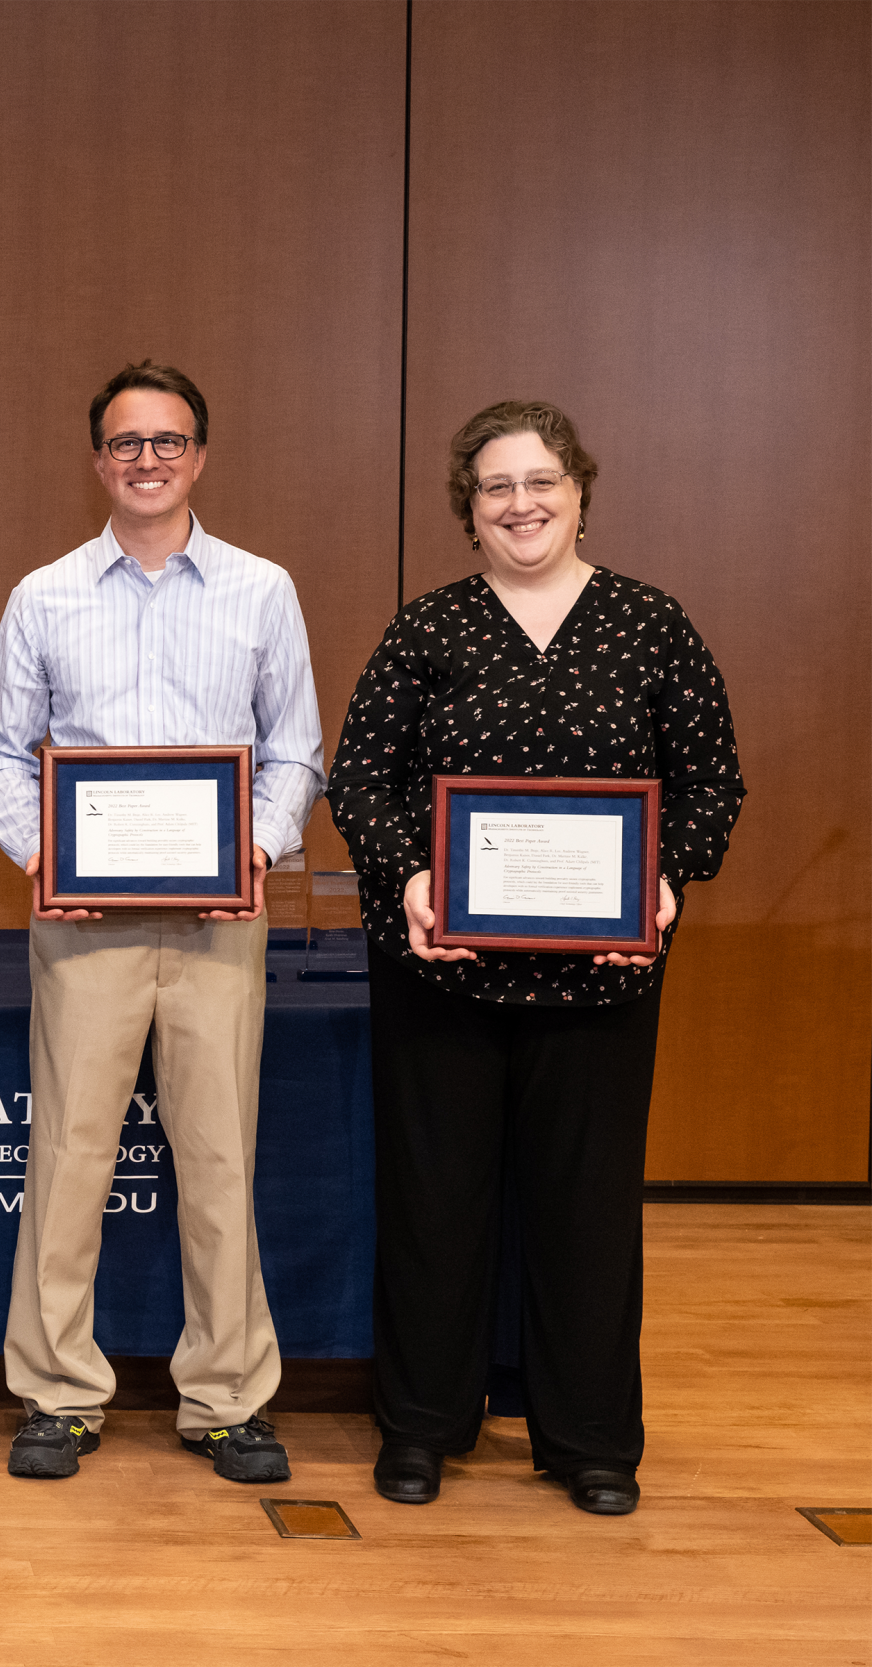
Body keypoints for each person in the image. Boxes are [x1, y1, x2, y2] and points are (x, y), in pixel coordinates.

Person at [331, 400, 742, 1516]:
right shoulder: (429, 629)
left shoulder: (651, 626)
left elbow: (712, 783)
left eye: (539, 481)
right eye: (496, 487)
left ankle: (591, 1438)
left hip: (599, 977)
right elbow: (359, 778)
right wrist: (411, 875)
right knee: (434, 1201)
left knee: (588, 1207)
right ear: (469, 509)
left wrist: (663, 884)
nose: (520, 503)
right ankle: (421, 1426)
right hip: (439, 969)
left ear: (579, 488)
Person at [0, 360, 324, 1484]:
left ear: (199, 456)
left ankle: (225, 1396)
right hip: (85, 927)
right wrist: (41, 855)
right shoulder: (43, 595)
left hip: (222, 923)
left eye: (167, 441)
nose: (147, 460)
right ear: (98, 462)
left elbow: (295, 748)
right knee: (69, 1155)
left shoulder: (262, 589)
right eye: (126, 443)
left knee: (218, 1158)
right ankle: (58, 1392)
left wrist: (257, 848)